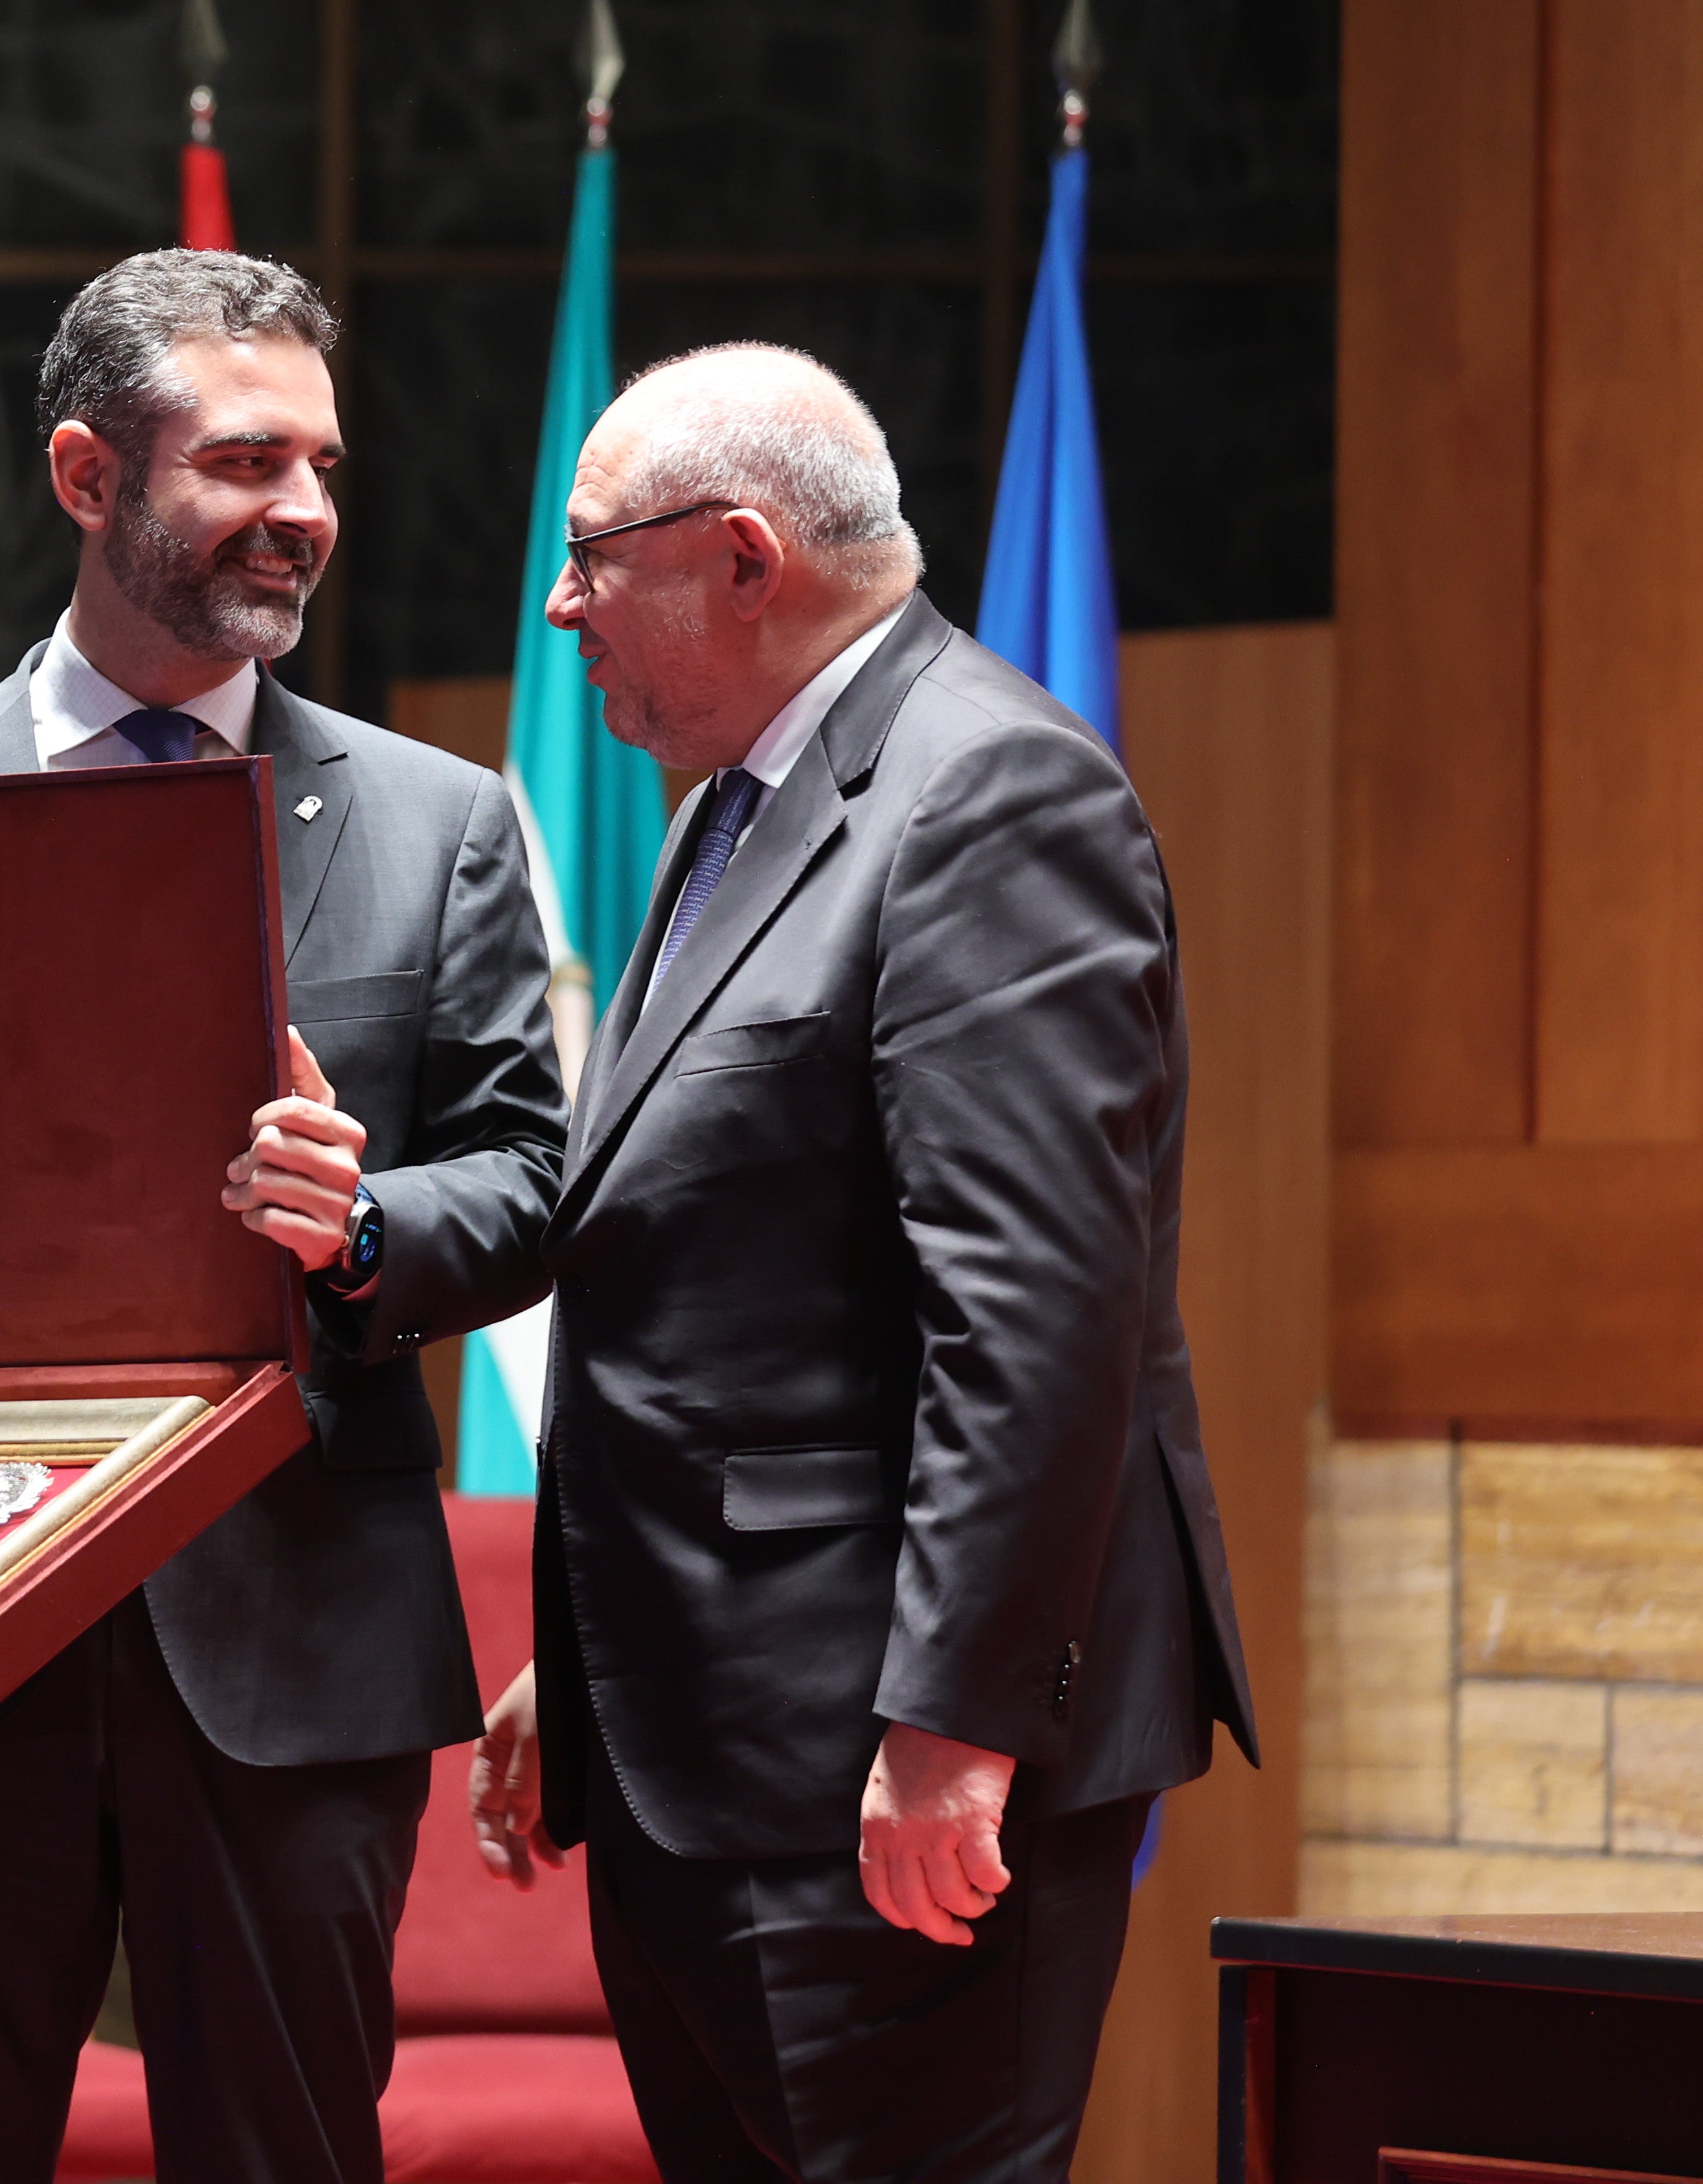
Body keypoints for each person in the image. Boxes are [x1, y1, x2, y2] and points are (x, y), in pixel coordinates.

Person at [0, 250, 565, 2184]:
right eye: (245, 463)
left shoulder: (445, 824)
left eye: (321, 464)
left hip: (297, 1648)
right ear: (87, 475)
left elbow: (527, 1182)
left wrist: (365, 1224)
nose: (303, 511)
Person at [466, 344, 1256, 2183]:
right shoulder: (730, 808)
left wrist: (955, 1725)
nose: (564, 601)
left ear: (746, 560)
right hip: (718, 1739)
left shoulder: (988, 799)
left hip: (877, 1765)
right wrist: (580, 1661)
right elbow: (722, 1297)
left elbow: (1036, 1314)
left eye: (595, 555)